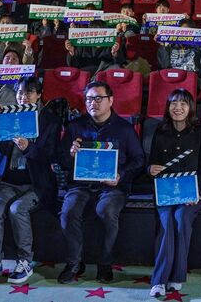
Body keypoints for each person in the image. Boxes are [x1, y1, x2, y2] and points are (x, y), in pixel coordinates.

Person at [0, 77, 60, 287]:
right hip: (7, 182)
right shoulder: (6, 113)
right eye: (21, 92)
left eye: (29, 92)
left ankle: (25, 261)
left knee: (17, 210)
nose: (24, 97)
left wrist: (29, 148)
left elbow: (51, 155)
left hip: (36, 184)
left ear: (39, 95)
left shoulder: (49, 120)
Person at [58, 81, 145, 284]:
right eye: (89, 99)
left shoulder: (125, 129)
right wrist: (70, 154)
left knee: (106, 211)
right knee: (68, 212)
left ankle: (105, 263)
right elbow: (61, 160)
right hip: (81, 185)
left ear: (111, 100)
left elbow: (139, 160)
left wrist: (121, 175)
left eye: (98, 98)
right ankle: (74, 263)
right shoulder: (75, 126)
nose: (93, 103)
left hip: (112, 187)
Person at [147, 89, 201, 297]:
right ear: (168, 107)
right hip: (165, 192)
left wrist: (197, 192)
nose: (178, 107)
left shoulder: (199, 133)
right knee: (166, 222)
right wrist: (150, 169)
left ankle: (177, 275)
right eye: (174, 103)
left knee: (181, 218)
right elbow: (151, 163)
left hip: (190, 194)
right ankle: (159, 281)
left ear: (190, 108)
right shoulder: (159, 131)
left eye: (183, 103)